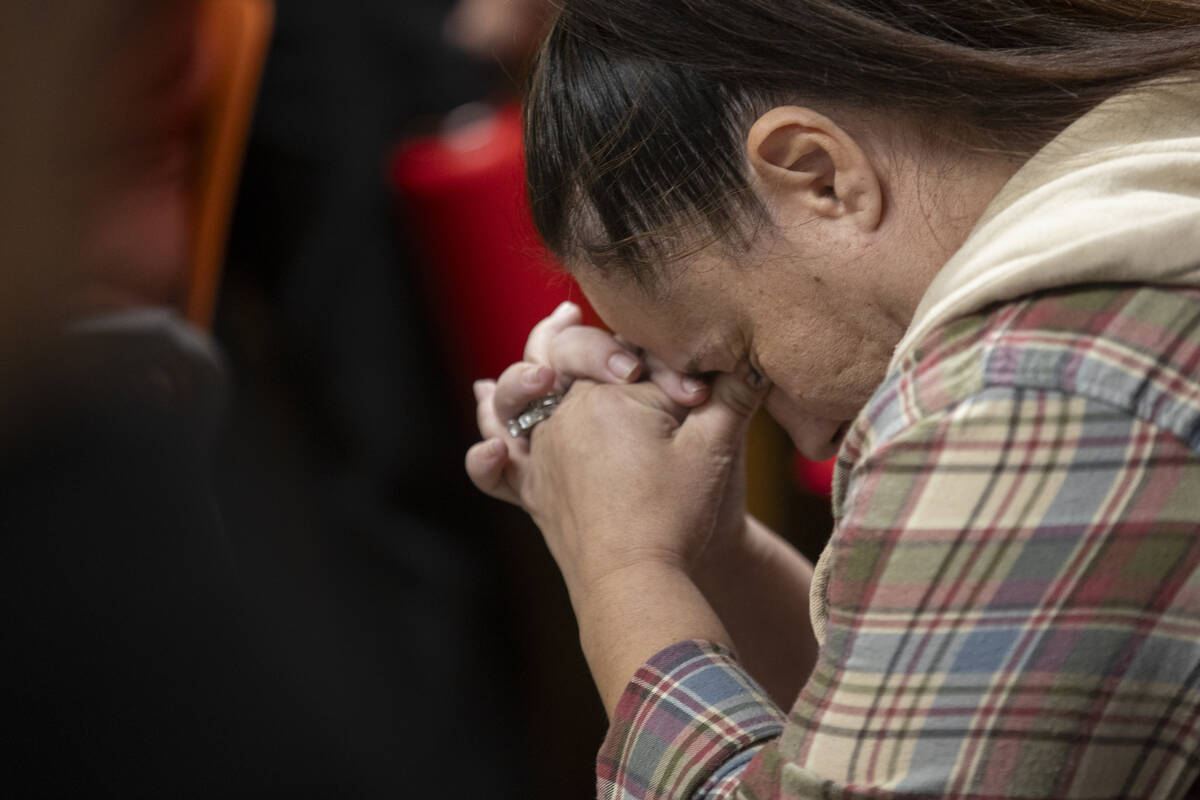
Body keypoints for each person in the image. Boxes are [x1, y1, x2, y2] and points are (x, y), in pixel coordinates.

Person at [465, 1, 1200, 798]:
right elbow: (907, 735)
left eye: (743, 363)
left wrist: (618, 565)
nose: (812, 440)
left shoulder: (1036, 378)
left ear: (819, 174)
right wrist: (707, 549)